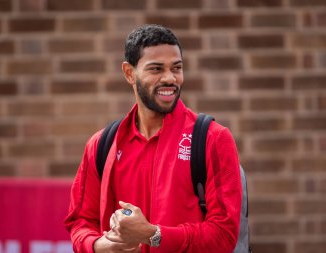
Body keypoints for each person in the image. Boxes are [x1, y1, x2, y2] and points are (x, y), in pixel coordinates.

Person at [64, 24, 242, 253]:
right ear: (129, 73)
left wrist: (153, 234)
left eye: (176, 68)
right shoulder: (101, 145)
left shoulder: (213, 138)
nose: (170, 78)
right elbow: (79, 221)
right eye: (156, 69)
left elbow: (223, 236)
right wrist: (98, 246)